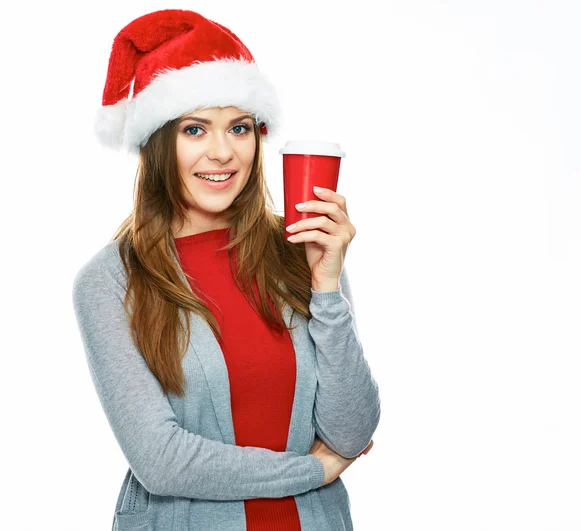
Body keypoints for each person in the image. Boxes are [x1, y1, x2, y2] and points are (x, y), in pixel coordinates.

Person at [72, 8, 380, 531]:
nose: (222, 152)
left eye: (239, 127)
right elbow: (162, 461)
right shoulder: (110, 281)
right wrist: (310, 470)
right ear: (157, 141)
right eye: (196, 129)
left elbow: (351, 432)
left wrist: (327, 285)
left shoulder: (298, 249)